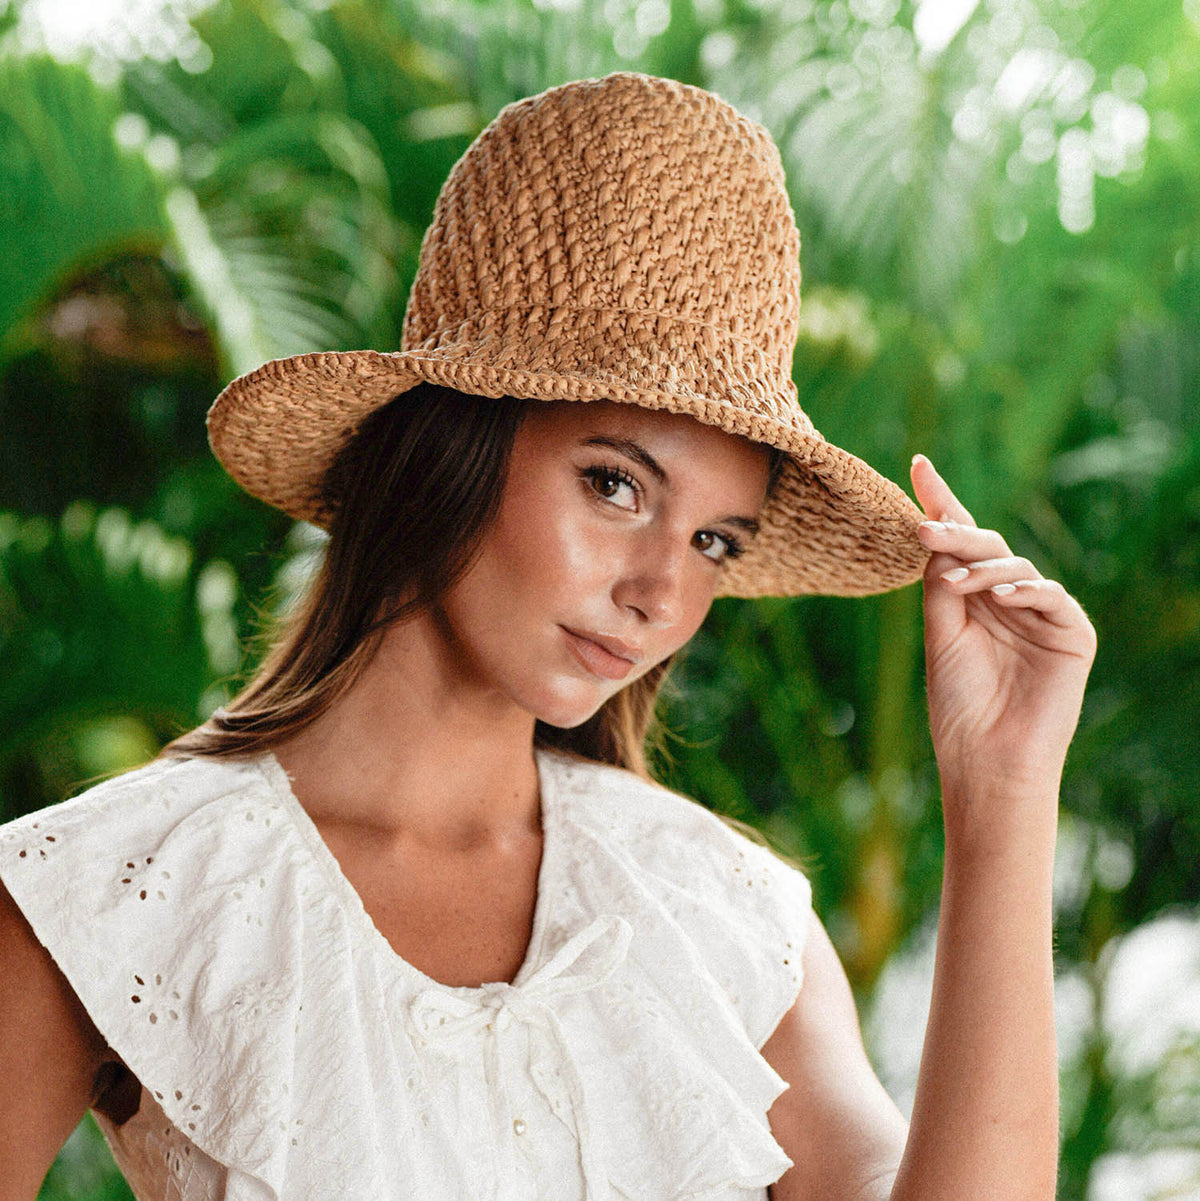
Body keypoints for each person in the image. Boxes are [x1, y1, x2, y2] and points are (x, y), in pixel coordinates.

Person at [0, 71, 1096, 1201]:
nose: (662, 591)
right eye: (615, 485)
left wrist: (1004, 790)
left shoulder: (721, 919)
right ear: (451, 448)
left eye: (717, 540)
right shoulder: (117, 885)